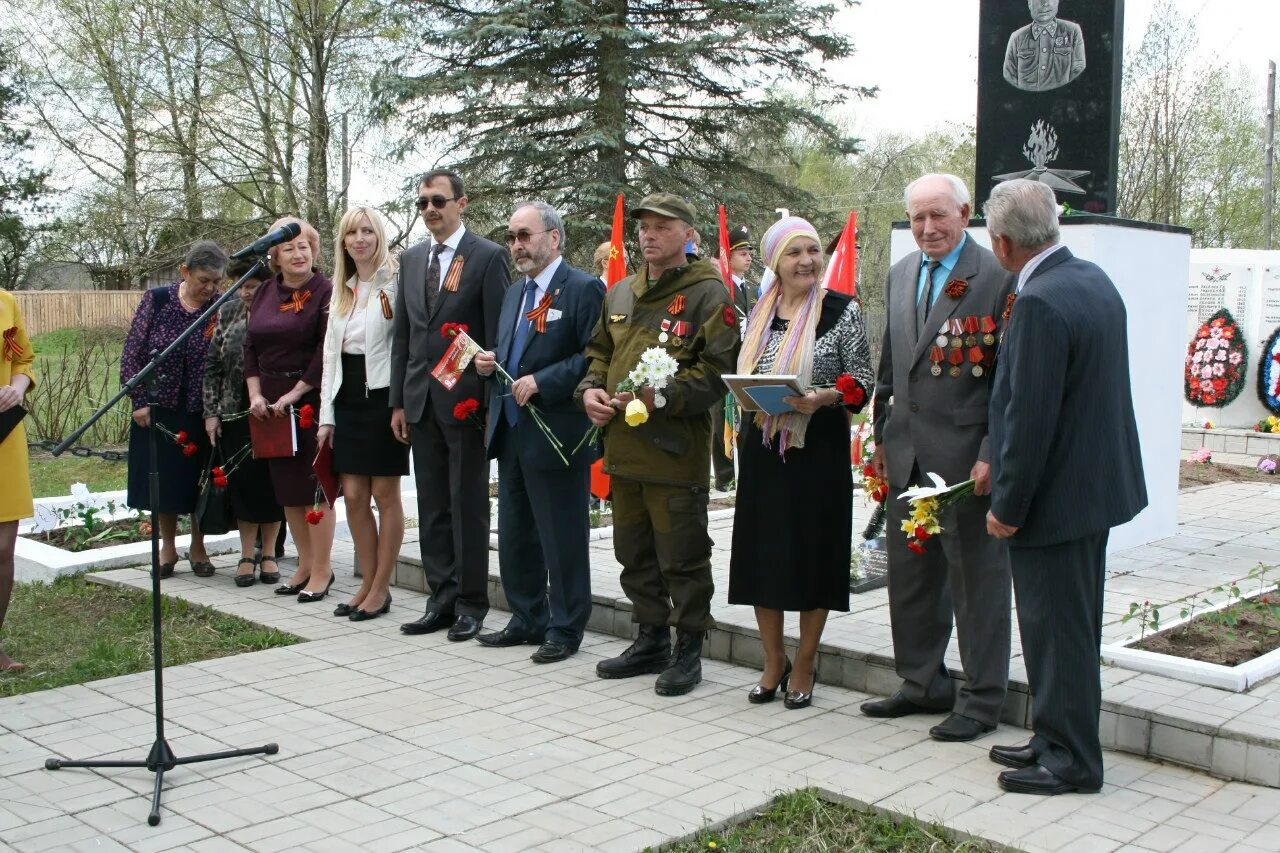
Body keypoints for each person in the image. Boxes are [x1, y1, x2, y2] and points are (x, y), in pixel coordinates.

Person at [984, 179, 1146, 795]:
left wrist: (1008, 506)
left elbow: (1031, 419)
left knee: (1060, 633)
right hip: (1089, 491)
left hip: (1058, 501)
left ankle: (1074, 761)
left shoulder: (1041, 303)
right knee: (1058, 629)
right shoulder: (1090, 277)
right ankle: (1053, 735)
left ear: (1001, 244)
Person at [861, 173, 1016, 743]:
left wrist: (990, 453)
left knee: (976, 584)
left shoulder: (999, 276)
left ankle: (981, 699)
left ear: (965, 212)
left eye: (938, 216)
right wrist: (881, 436)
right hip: (905, 453)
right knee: (912, 578)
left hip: (966, 464)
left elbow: (1008, 379)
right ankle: (923, 683)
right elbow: (890, 369)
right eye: (918, 218)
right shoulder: (901, 274)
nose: (927, 229)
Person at [576, 192, 738, 696]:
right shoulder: (621, 292)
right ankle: (649, 638)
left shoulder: (708, 293)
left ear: (688, 234)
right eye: (644, 226)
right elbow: (599, 350)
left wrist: (659, 397)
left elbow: (717, 372)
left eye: (663, 226)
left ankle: (689, 649)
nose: (648, 234)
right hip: (624, 450)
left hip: (673, 451)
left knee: (682, 555)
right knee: (634, 551)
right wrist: (591, 390)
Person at [728, 217, 873, 709]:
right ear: (774, 262)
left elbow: (863, 384)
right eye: (794, 253)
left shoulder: (841, 310)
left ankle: (806, 660)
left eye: (813, 250)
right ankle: (773, 660)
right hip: (764, 448)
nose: (807, 261)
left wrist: (825, 396)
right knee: (761, 553)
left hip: (819, 448)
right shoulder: (758, 312)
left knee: (815, 553)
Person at [473, 201, 605, 662]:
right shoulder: (515, 293)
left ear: (554, 237)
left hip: (557, 432)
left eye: (524, 235)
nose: (516, 245)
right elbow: (515, 353)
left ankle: (566, 629)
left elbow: (595, 356)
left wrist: (544, 381)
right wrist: (490, 361)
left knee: (562, 535)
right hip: (511, 431)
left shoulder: (584, 289)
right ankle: (527, 618)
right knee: (516, 533)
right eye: (511, 237)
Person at [392, 169, 510, 641]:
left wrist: (487, 404)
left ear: (462, 203)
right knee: (433, 505)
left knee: (467, 506)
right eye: (422, 203)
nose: (430, 210)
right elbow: (405, 333)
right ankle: (440, 598)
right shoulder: (412, 259)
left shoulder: (487, 257)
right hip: (421, 401)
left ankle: (471, 603)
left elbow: (498, 336)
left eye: (438, 201)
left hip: (465, 405)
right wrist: (399, 401)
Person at [318, 206, 409, 621]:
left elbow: (405, 346)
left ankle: (381, 587)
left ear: (380, 236)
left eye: (367, 231)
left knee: (384, 495)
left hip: (385, 397)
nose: (360, 239)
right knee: (353, 494)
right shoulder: (342, 290)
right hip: (348, 396)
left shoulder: (397, 281)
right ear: (343, 242)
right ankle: (367, 583)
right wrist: (326, 416)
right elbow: (329, 361)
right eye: (352, 233)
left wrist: (402, 402)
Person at [243, 217, 336, 603]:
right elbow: (250, 346)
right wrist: (255, 395)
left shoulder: (326, 290)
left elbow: (325, 347)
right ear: (274, 256)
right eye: (288, 248)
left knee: (314, 488)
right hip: (270, 406)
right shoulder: (264, 290)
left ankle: (323, 569)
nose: (298, 254)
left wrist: (297, 393)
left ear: (314, 250)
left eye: (304, 246)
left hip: (309, 399)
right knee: (288, 492)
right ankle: (303, 563)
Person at [121, 241, 226, 578]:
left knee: (199, 480)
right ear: (185, 272)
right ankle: (167, 548)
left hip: (201, 409)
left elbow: (222, 359)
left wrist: (216, 408)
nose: (209, 288)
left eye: (215, 282)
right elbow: (133, 353)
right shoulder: (158, 300)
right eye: (203, 280)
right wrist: (139, 401)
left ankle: (198, 546)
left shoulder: (220, 307)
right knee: (162, 482)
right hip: (158, 407)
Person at [203, 257, 285, 587]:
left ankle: (269, 553)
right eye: (240, 287)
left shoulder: (283, 310)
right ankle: (246, 554)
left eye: (252, 286)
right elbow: (212, 366)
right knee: (243, 483)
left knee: (272, 483)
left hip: (274, 409)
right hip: (234, 409)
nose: (246, 293)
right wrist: (211, 412)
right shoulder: (228, 312)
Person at [0, 288, 35, 672]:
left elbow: (23, 358)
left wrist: (16, 388)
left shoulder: (5, 301)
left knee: (3, 547)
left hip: (3, 437)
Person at [710, 224, 756, 491]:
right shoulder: (721, 286)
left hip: (745, 362)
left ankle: (741, 470)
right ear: (727, 256)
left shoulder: (746, 289)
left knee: (744, 418)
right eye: (741, 252)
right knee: (722, 419)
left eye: (749, 252)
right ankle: (726, 476)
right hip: (724, 363)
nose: (748, 257)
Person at [1003, 0, 1086, 93]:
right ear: (1029, 4)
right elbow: (1008, 74)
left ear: (1058, 2)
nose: (1045, 3)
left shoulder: (1073, 31)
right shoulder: (1016, 37)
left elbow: (1079, 67)